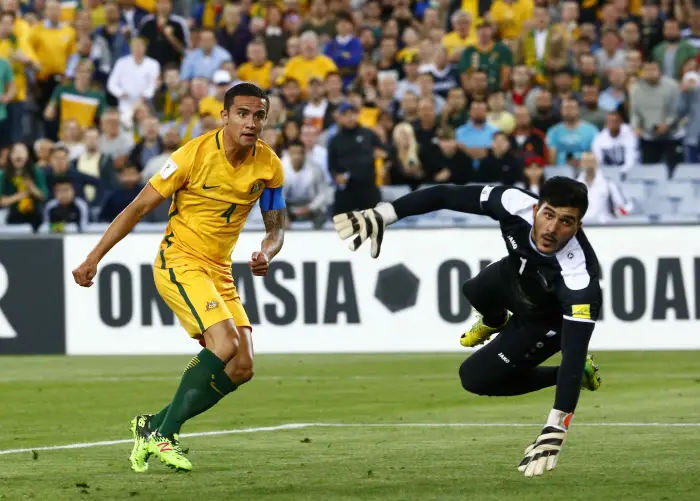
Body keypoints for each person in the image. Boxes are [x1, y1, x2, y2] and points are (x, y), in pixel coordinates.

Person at [71, 83, 286, 473]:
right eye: (242, 113)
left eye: (258, 115)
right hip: (180, 259)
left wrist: (265, 253)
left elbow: (276, 230)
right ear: (224, 116)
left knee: (242, 366)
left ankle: (151, 424)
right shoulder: (192, 155)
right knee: (226, 342)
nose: (250, 122)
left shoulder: (268, 165)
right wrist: (93, 257)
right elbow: (137, 208)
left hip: (220, 270)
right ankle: (164, 435)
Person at [333, 177, 602, 478]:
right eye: (549, 214)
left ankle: (579, 377)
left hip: (543, 321)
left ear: (577, 227)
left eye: (566, 221)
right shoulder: (514, 203)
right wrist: (386, 214)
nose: (552, 229)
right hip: (511, 278)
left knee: (474, 378)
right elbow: (447, 193)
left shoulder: (580, 279)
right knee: (474, 290)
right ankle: (495, 321)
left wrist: (557, 426)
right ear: (536, 209)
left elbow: (573, 355)